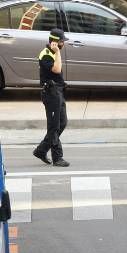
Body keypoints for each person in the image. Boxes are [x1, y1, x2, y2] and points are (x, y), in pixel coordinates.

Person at [33, 29, 69, 168]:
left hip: (58, 92)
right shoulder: (46, 54)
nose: (63, 44)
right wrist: (58, 52)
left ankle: (41, 150)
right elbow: (57, 70)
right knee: (54, 126)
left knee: (63, 122)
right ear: (54, 42)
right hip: (50, 94)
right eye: (61, 42)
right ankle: (57, 158)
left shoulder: (54, 53)